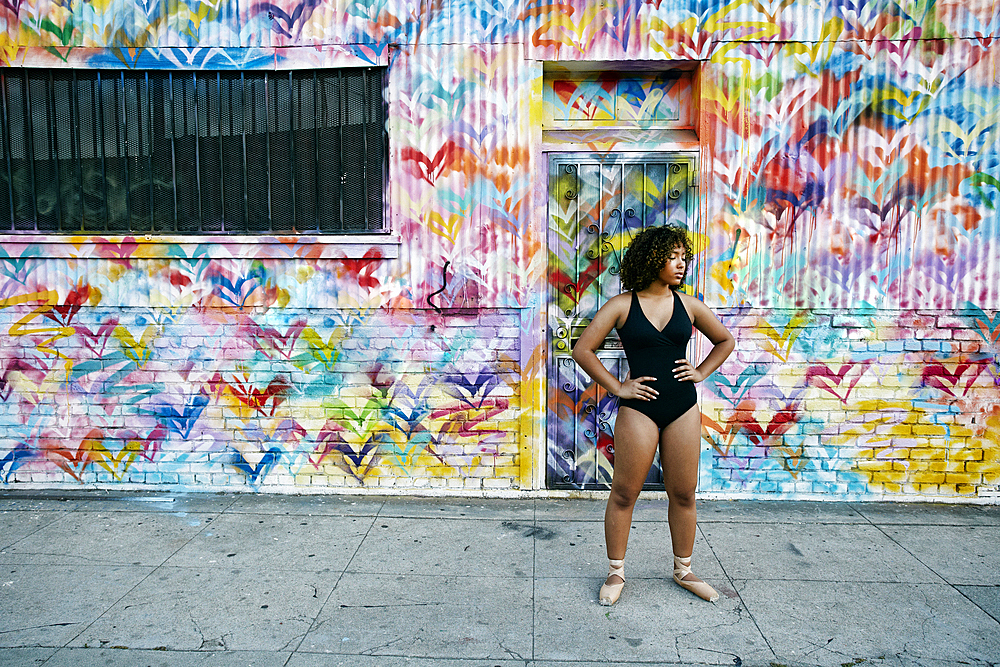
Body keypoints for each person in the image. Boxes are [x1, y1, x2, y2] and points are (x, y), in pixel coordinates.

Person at [571, 225, 735, 605]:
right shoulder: (622, 305)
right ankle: (615, 573)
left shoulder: (689, 305)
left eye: (684, 257)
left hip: (682, 407)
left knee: (683, 493)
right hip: (639, 410)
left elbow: (725, 340)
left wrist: (701, 371)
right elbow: (583, 350)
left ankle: (684, 570)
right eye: (673, 256)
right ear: (652, 258)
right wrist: (617, 387)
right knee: (626, 492)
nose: (681, 264)